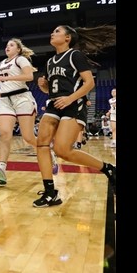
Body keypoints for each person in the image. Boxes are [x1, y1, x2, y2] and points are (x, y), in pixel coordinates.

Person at [33, 25, 116, 207]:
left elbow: (89, 82)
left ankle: (108, 168)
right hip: (54, 104)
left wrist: (70, 98)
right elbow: (50, 89)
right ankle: (50, 192)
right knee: (42, 144)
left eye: (56, 31)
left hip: (73, 105)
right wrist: (43, 86)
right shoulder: (50, 62)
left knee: (63, 151)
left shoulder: (74, 56)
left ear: (67, 37)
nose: (52, 33)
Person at [0, 38, 57, 185]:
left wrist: (7, 80)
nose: (8, 47)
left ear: (18, 49)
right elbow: (6, 81)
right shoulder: (2, 63)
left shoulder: (21, 60)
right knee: (5, 134)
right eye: (6, 45)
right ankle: (1, 170)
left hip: (22, 99)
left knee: (28, 137)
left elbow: (29, 76)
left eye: (11, 45)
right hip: (5, 101)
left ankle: (50, 155)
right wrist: (3, 90)